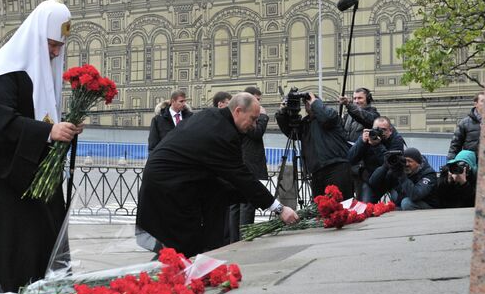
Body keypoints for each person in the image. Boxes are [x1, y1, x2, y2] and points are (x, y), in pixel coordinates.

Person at [0, 0, 82, 294]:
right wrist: (49, 132)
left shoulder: (35, 73)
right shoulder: (4, 73)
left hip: (29, 172)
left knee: (42, 234)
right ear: (36, 38)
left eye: (60, 47)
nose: (56, 53)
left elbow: (38, 116)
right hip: (3, 177)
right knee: (11, 244)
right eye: (52, 45)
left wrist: (62, 128)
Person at [137, 93, 298, 257]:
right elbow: (241, 176)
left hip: (176, 183)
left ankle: (199, 262)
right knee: (182, 248)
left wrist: (250, 196)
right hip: (167, 189)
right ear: (238, 111)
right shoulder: (223, 133)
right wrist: (279, 209)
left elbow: (225, 180)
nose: (254, 125)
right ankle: (155, 280)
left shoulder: (214, 116)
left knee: (190, 245)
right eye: (253, 118)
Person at [276, 93, 353, 199]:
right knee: (320, 208)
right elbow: (291, 132)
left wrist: (315, 101)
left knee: (341, 205)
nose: (308, 105)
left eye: (310, 102)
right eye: (306, 103)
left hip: (337, 166)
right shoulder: (306, 122)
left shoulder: (331, 114)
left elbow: (326, 118)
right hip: (316, 171)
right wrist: (282, 113)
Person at [229, 87, 269, 242]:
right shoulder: (246, 117)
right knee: (246, 203)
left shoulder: (237, 115)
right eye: (257, 99)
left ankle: (235, 240)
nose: (258, 103)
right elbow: (256, 133)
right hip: (248, 163)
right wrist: (264, 117)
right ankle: (244, 238)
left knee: (236, 205)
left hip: (242, 162)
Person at [347, 116, 405, 203]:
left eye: (383, 130)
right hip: (371, 180)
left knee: (400, 203)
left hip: (392, 180)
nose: (380, 132)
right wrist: (361, 142)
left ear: (390, 131)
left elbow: (390, 164)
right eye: (376, 129)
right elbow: (350, 159)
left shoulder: (396, 140)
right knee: (366, 207)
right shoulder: (367, 138)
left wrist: (377, 146)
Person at [368, 148, 439, 210]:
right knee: (393, 200)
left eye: (410, 161)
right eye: (405, 161)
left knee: (406, 203)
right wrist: (385, 166)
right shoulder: (401, 169)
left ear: (418, 163)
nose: (406, 164)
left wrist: (402, 176)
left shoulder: (429, 174)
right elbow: (372, 183)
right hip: (404, 203)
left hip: (428, 207)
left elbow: (415, 195)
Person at [448, 92, 484, 160]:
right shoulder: (465, 123)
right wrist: (451, 164)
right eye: (483, 101)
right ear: (475, 104)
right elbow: (455, 146)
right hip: (470, 164)